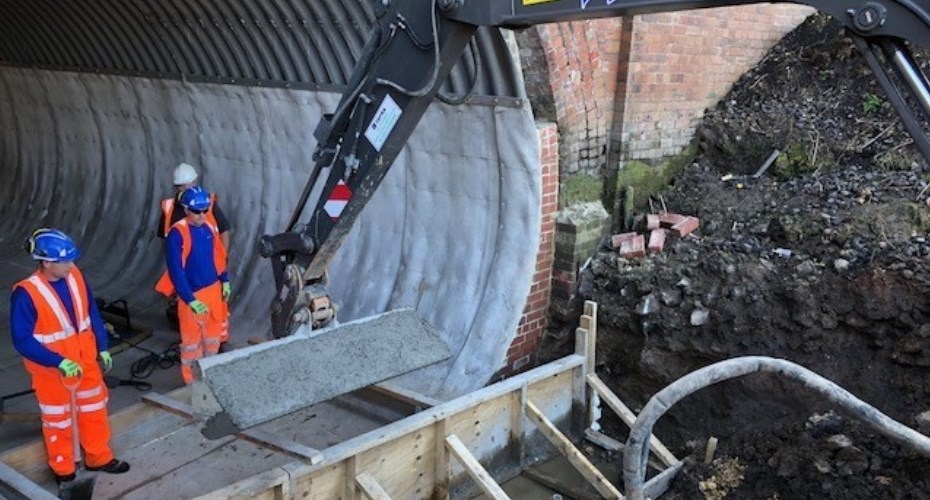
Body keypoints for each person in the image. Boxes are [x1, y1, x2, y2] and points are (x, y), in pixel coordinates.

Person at [10, 228, 130, 483]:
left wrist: (103, 346)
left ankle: (99, 458)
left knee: (94, 409)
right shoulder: (27, 294)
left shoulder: (75, 275)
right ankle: (64, 470)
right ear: (46, 262)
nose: (70, 265)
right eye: (64, 261)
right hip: (52, 371)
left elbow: (91, 313)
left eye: (71, 259)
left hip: (85, 360)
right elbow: (22, 340)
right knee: (59, 420)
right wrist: (58, 362)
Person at [155, 186, 230, 384]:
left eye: (205, 210)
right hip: (193, 295)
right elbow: (176, 271)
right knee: (191, 344)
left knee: (213, 338)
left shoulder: (208, 227)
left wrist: (224, 279)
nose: (202, 215)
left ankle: (211, 375)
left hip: (213, 290)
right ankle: (192, 383)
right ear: (187, 210)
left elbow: (218, 256)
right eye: (197, 211)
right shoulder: (177, 234)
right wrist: (189, 299)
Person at [157, 162, 231, 344]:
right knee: (191, 328)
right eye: (183, 185)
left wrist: (223, 270)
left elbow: (223, 231)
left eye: (189, 184)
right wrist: (183, 290)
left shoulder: (207, 204)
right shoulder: (172, 213)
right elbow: (166, 243)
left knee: (216, 319)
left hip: (209, 273)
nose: (202, 215)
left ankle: (217, 347)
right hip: (187, 275)